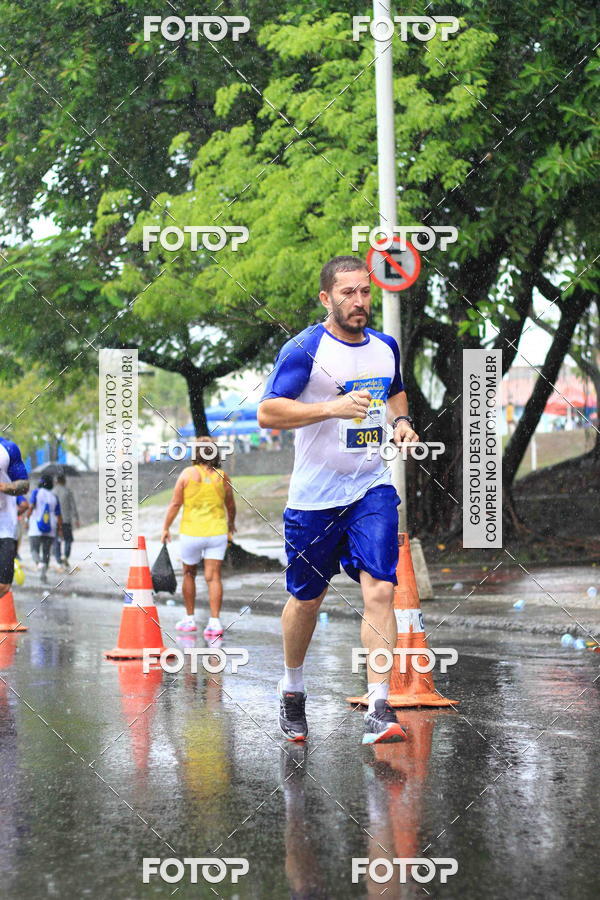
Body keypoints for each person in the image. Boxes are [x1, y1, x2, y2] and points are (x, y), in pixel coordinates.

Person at [258, 255, 419, 746]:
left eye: (365, 292)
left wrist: (401, 424)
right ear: (326, 298)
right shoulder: (305, 348)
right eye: (347, 293)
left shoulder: (384, 347)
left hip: (370, 487)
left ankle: (378, 705)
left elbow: (395, 392)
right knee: (308, 598)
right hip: (314, 499)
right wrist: (331, 406)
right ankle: (292, 689)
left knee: (380, 589)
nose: (359, 302)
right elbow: (268, 412)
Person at [161, 437, 236, 639]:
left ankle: (189, 619)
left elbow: (175, 504)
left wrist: (166, 527)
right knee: (214, 577)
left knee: (189, 574)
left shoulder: (187, 474)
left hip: (191, 532)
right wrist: (231, 525)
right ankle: (214, 623)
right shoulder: (222, 476)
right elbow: (230, 505)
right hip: (216, 532)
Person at [0, 437, 30, 603]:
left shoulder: (7, 449)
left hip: (5, 525)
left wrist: (4, 487)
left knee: (4, 584)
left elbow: (24, 486)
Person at [27, 474, 62, 584]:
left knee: (34, 550)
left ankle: (38, 563)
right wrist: (60, 529)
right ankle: (43, 575)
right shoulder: (54, 496)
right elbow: (59, 515)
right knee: (46, 553)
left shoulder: (36, 492)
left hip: (35, 528)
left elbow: (31, 507)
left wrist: (26, 519)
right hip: (50, 528)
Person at [52, 473, 80, 568]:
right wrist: (76, 518)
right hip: (66, 520)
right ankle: (66, 556)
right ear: (64, 481)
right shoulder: (67, 491)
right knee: (68, 539)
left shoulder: (52, 492)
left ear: (56, 481)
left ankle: (58, 560)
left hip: (55, 520)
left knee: (57, 540)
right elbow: (73, 506)